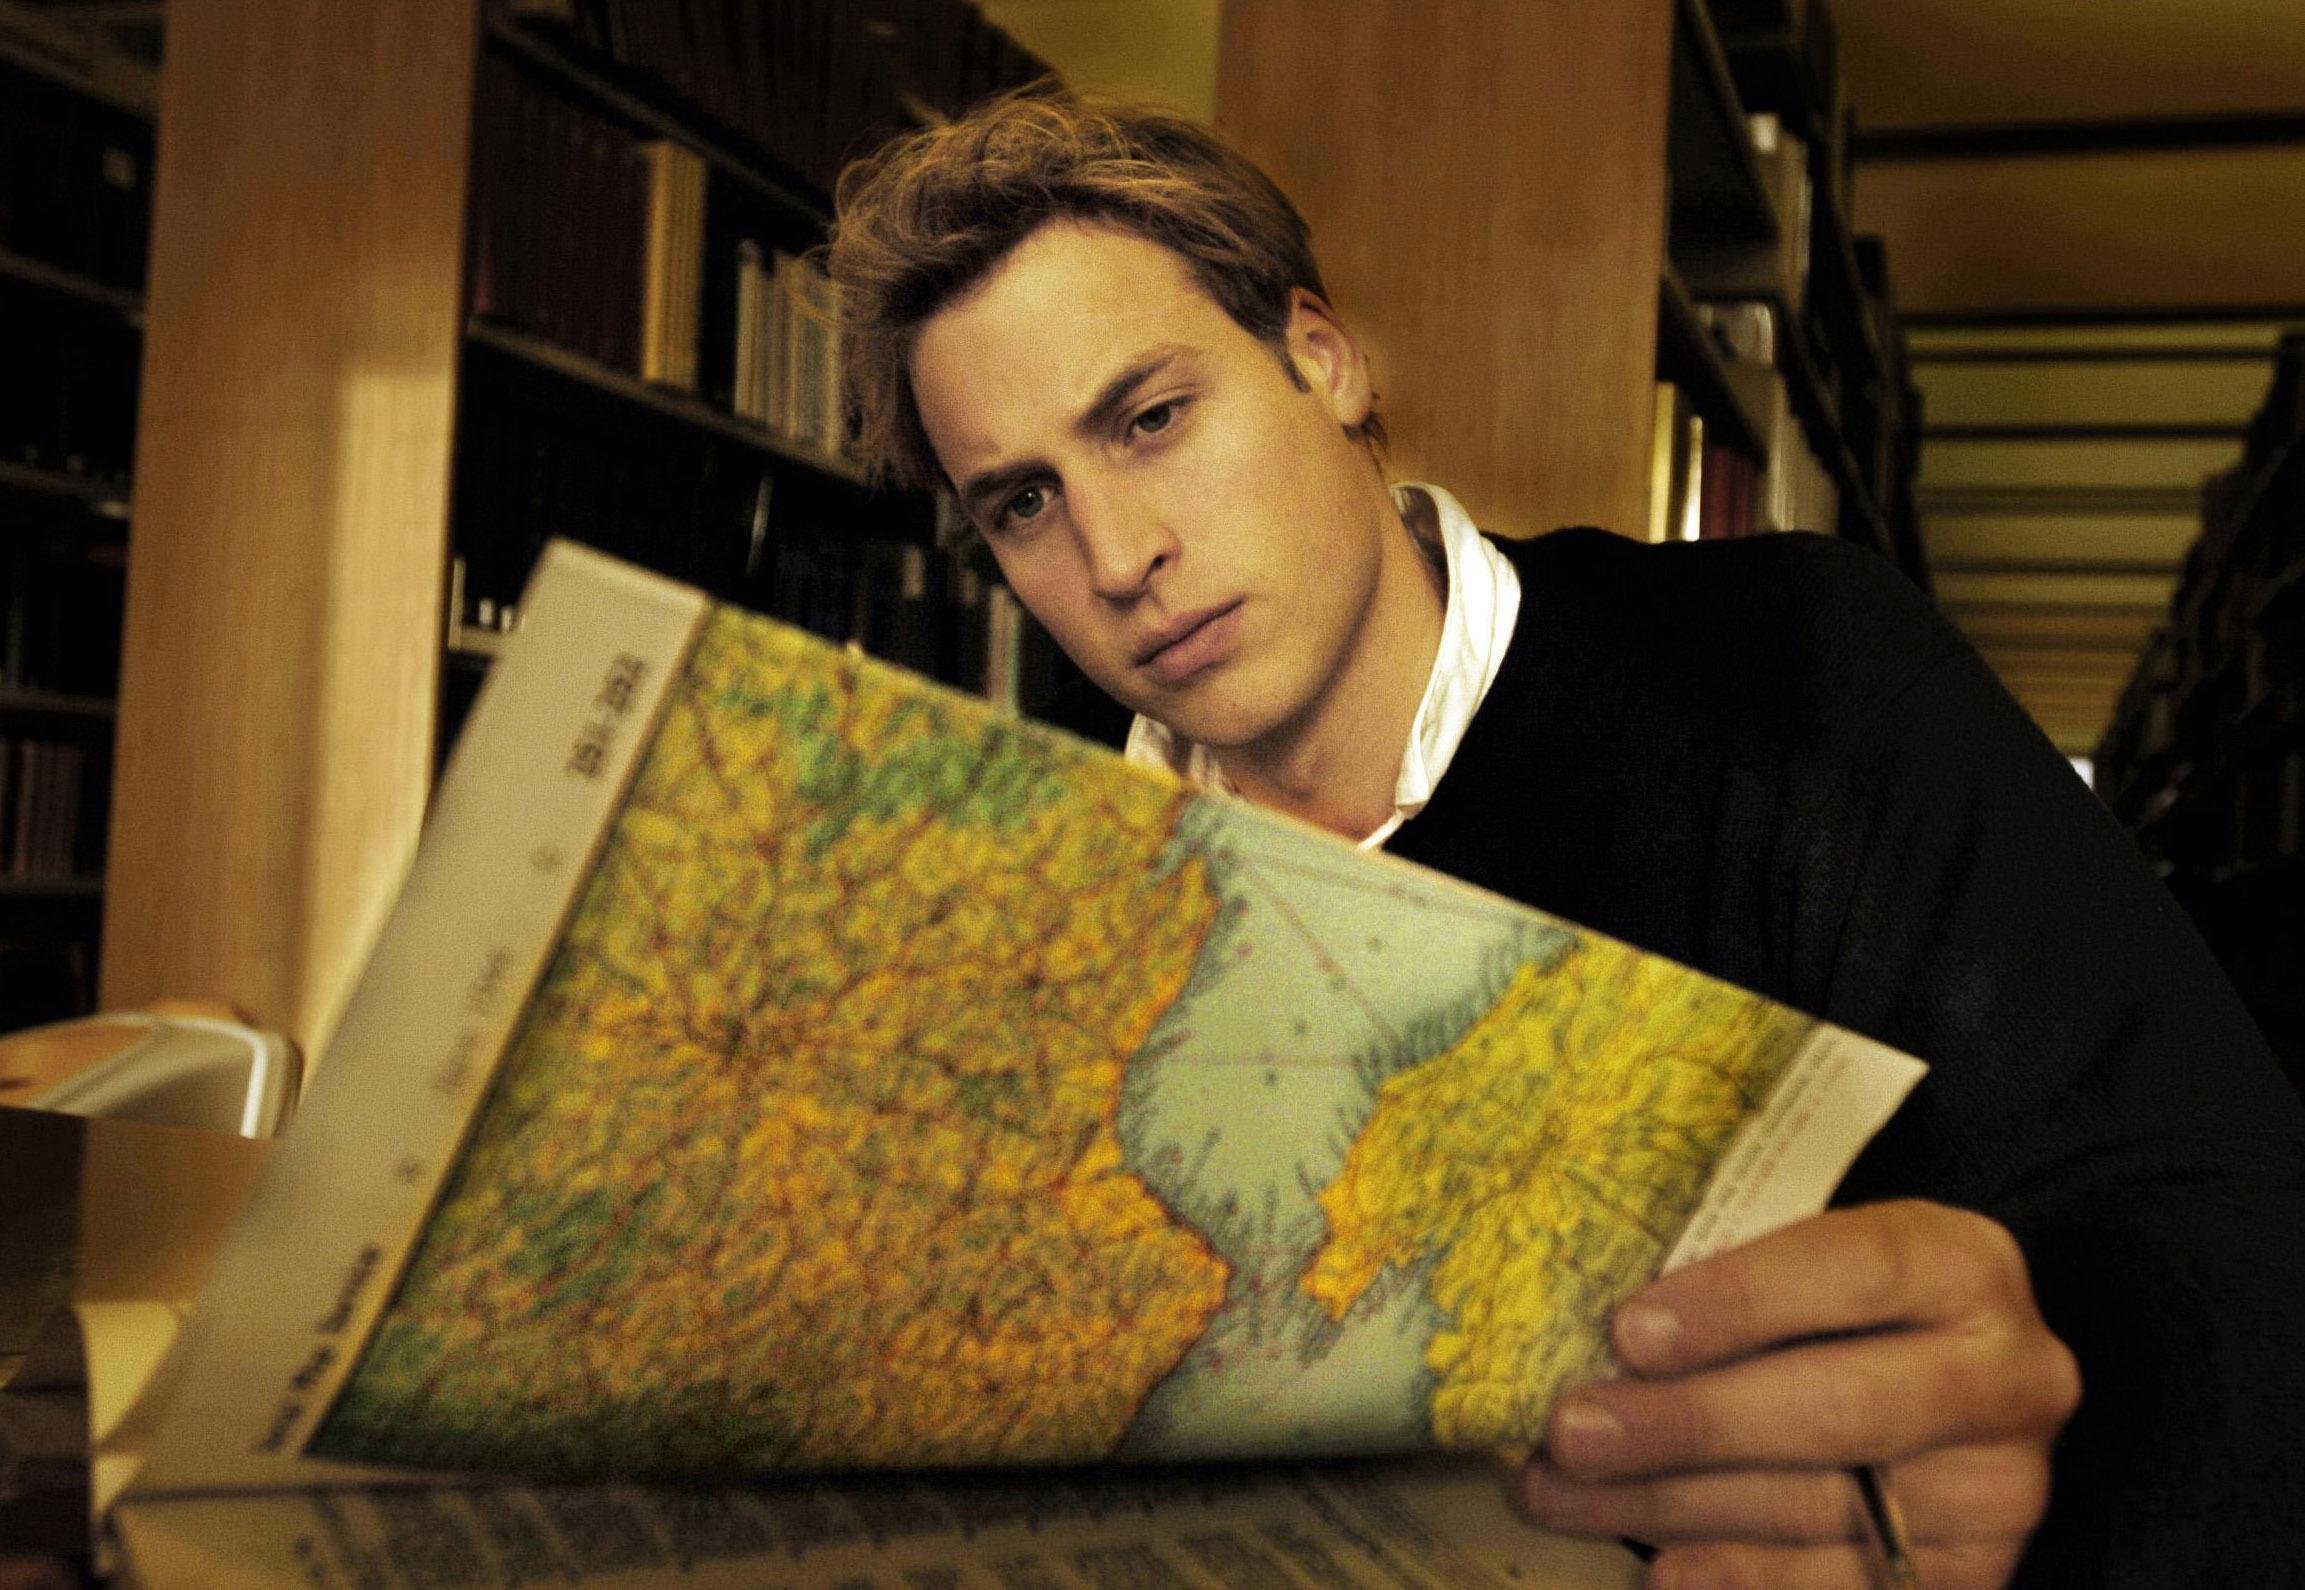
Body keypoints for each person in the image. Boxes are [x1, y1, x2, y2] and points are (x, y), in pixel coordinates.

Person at [826, 90, 2305, 1587]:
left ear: (1320, 362)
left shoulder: (1800, 669)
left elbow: (2212, 1220)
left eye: (1150, 418)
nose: (1117, 555)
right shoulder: (1025, 860)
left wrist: (2039, 1454)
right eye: (1021, 502)